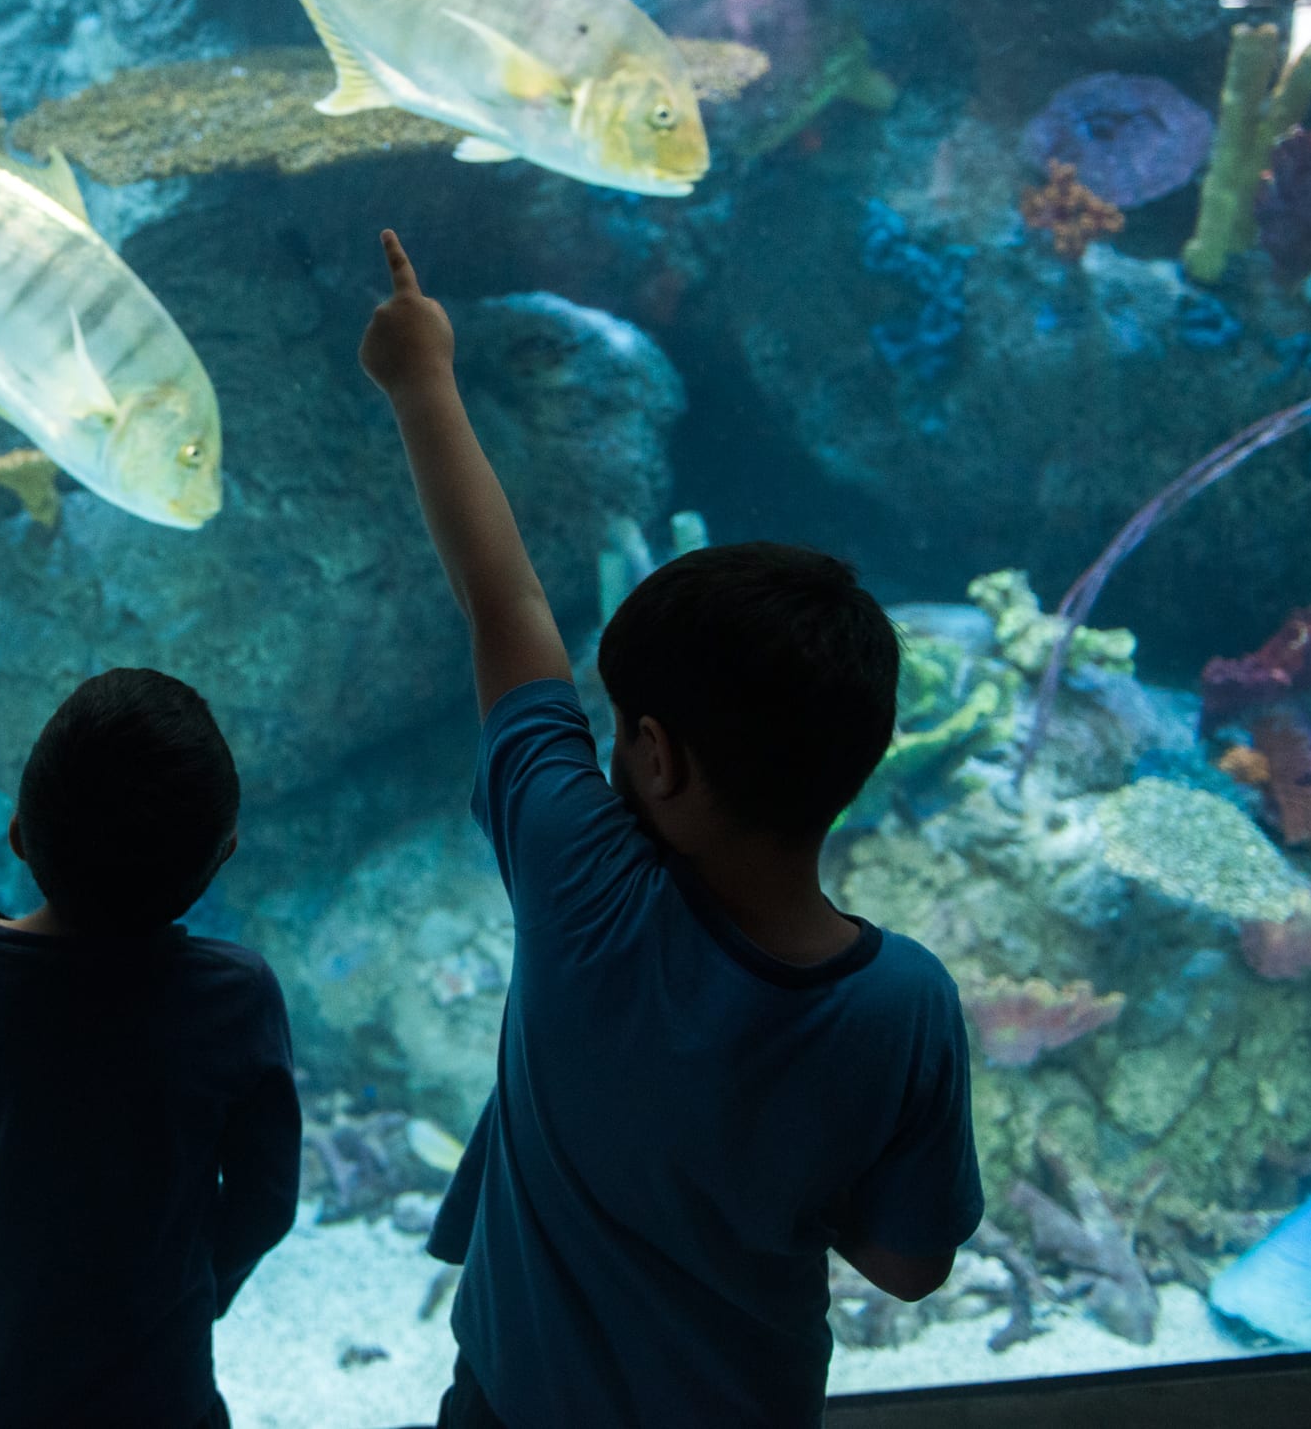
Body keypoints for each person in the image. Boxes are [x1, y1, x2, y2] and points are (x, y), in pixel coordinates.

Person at [358, 232, 983, 1428]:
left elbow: (504, 607)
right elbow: (909, 1265)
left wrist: (421, 379)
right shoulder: (903, 1002)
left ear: (654, 757)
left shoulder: (582, 886)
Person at [0, 667, 302, 1429]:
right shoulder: (237, 997)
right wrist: (201, 1288)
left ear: (20, 834)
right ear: (223, 852)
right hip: (162, 1400)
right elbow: (265, 1202)